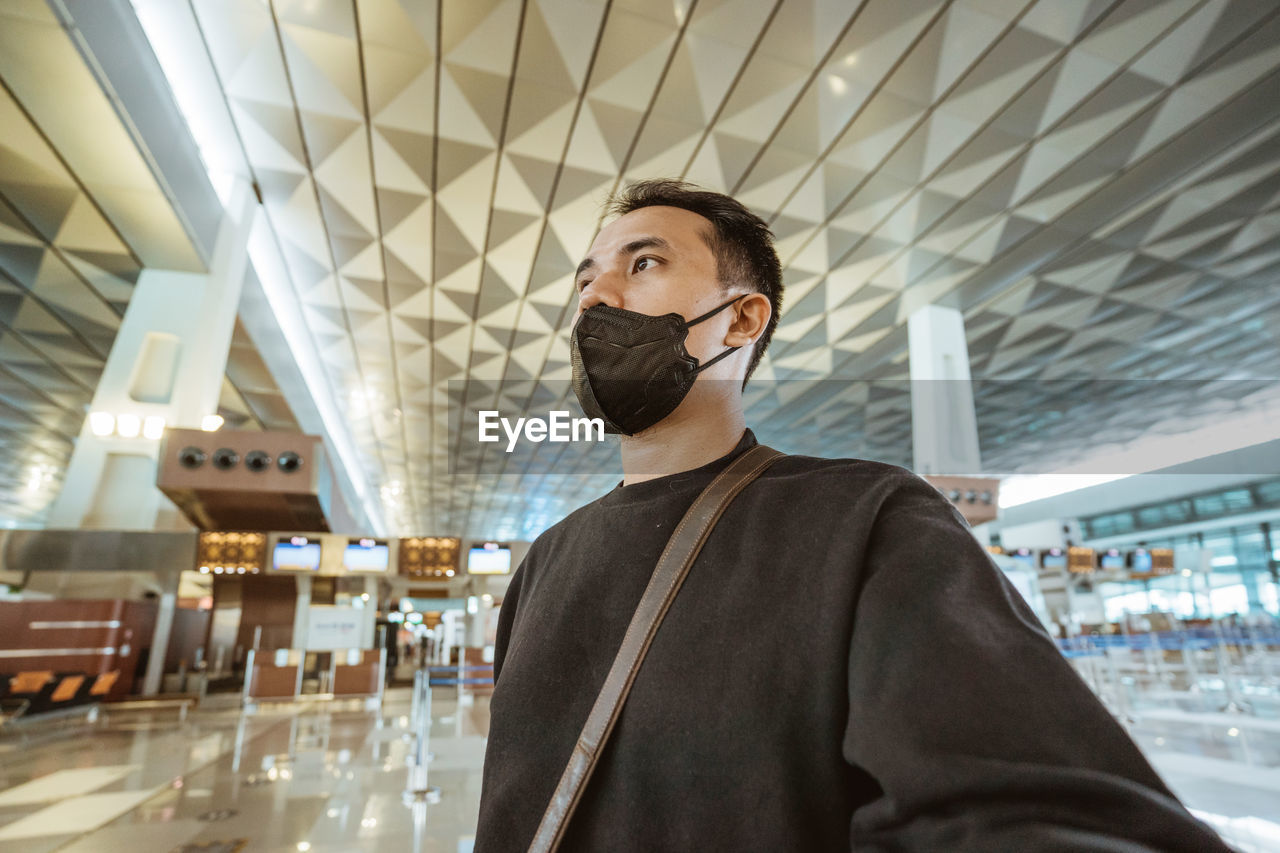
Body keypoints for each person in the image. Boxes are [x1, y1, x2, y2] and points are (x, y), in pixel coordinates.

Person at [474, 180, 1228, 851]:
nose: (595, 298)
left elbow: (1025, 808)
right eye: (584, 282)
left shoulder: (862, 518)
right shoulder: (545, 561)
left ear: (740, 320)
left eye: (643, 264)